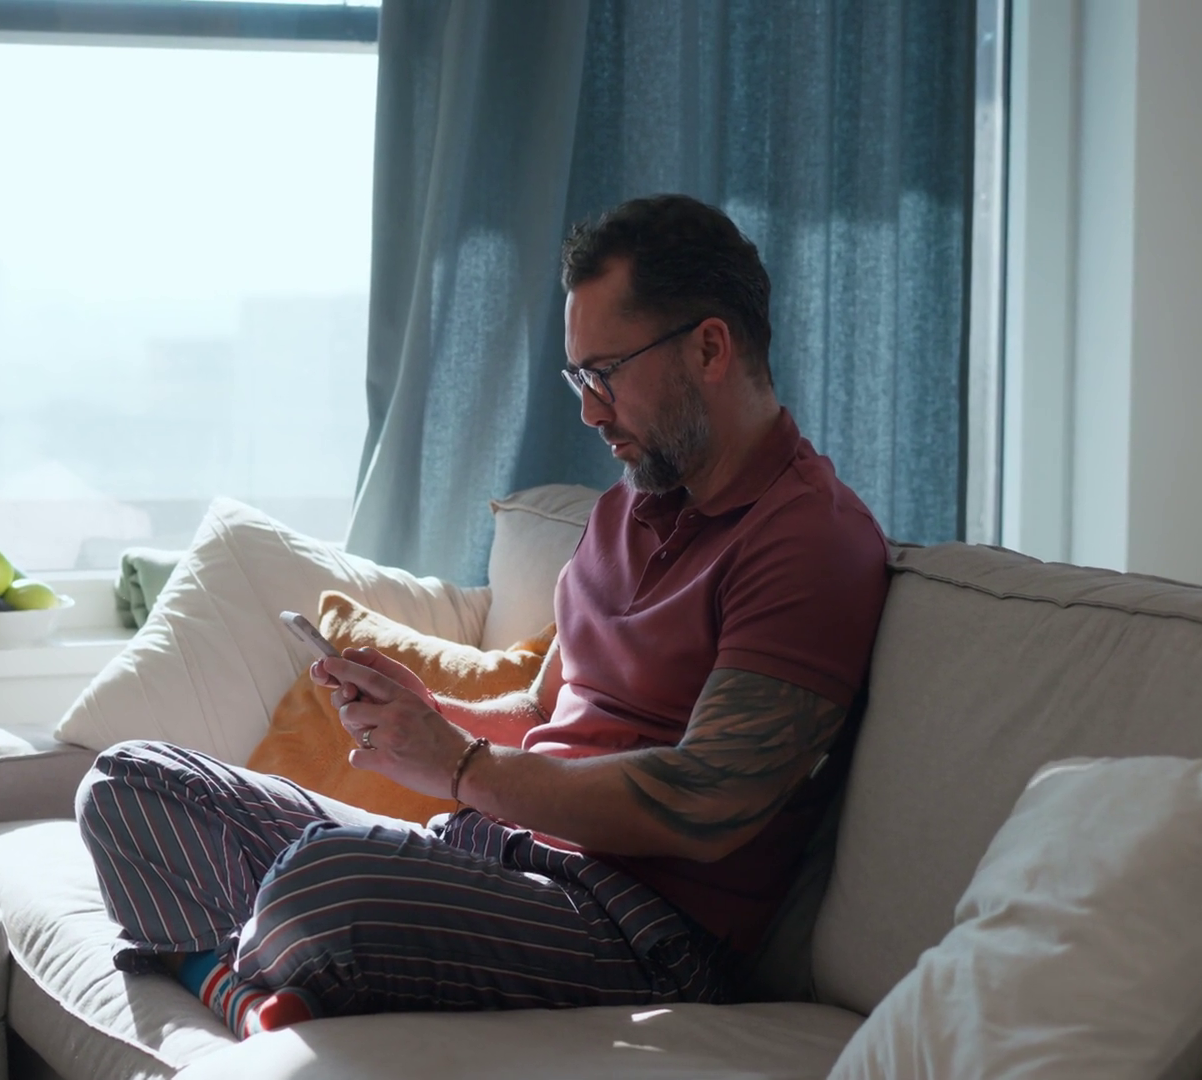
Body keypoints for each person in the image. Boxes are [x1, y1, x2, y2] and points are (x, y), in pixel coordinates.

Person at [76, 193, 891, 1039]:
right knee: (130, 782)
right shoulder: (624, 511)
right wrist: (427, 719)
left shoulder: (809, 540)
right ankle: (257, 1000)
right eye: (579, 379)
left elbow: (709, 799)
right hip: (496, 854)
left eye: (605, 373)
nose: (590, 410)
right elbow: (541, 713)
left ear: (710, 348)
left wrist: (462, 767)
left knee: (320, 881)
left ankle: (239, 971)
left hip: (642, 927)